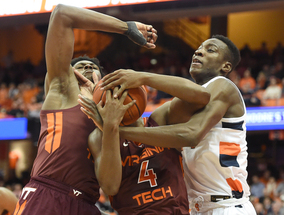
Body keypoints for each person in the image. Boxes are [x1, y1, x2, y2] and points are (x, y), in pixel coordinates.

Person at [13, 3, 157, 215]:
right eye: (81, 66)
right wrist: (126, 27)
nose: (88, 67)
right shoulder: (61, 88)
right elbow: (62, 14)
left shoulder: (113, 116)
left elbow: (110, 187)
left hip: (86, 204)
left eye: (94, 67)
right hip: (48, 193)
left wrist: (108, 123)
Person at [97, 35, 256, 214]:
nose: (199, 52)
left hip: (227, 205)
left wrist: (117, 130)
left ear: (225, 66)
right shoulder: (188, 103)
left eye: (210, 50)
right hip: (198, 208)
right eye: (199, 48)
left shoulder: (223, 86)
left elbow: (191, 134)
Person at [78, 69, 210, 214]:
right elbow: (110, 187)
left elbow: (202, 96)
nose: (119, 99)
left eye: (124, 92)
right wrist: (110, 127)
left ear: (140, 92)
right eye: (113, 96)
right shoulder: (99, 137)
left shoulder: (160, 119)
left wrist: (144, 77)